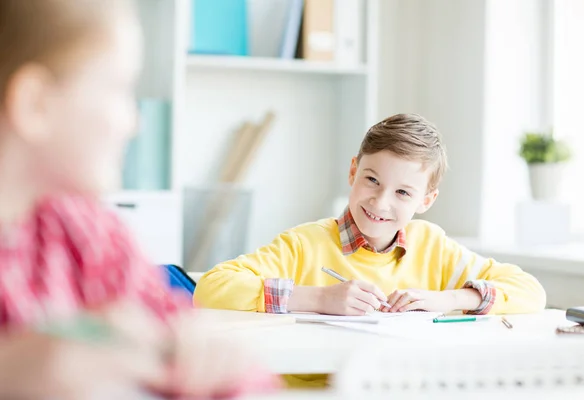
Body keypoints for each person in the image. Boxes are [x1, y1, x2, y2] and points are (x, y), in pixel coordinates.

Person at [0, 0, 277, 398]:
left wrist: (209, 356)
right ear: (35, 103)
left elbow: (250, 378)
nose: (136, 122)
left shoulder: (91, 235)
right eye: (119, 89)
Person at [195, 113, 546, 317]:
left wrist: (450, 298)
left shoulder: (434, 247)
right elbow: (211, 288)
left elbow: (531, 291)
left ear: (426, 200)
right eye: (372, 180)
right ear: (353, 173)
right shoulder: (305, 244)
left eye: (403, 193)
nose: (380, 202)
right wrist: (318, 298)